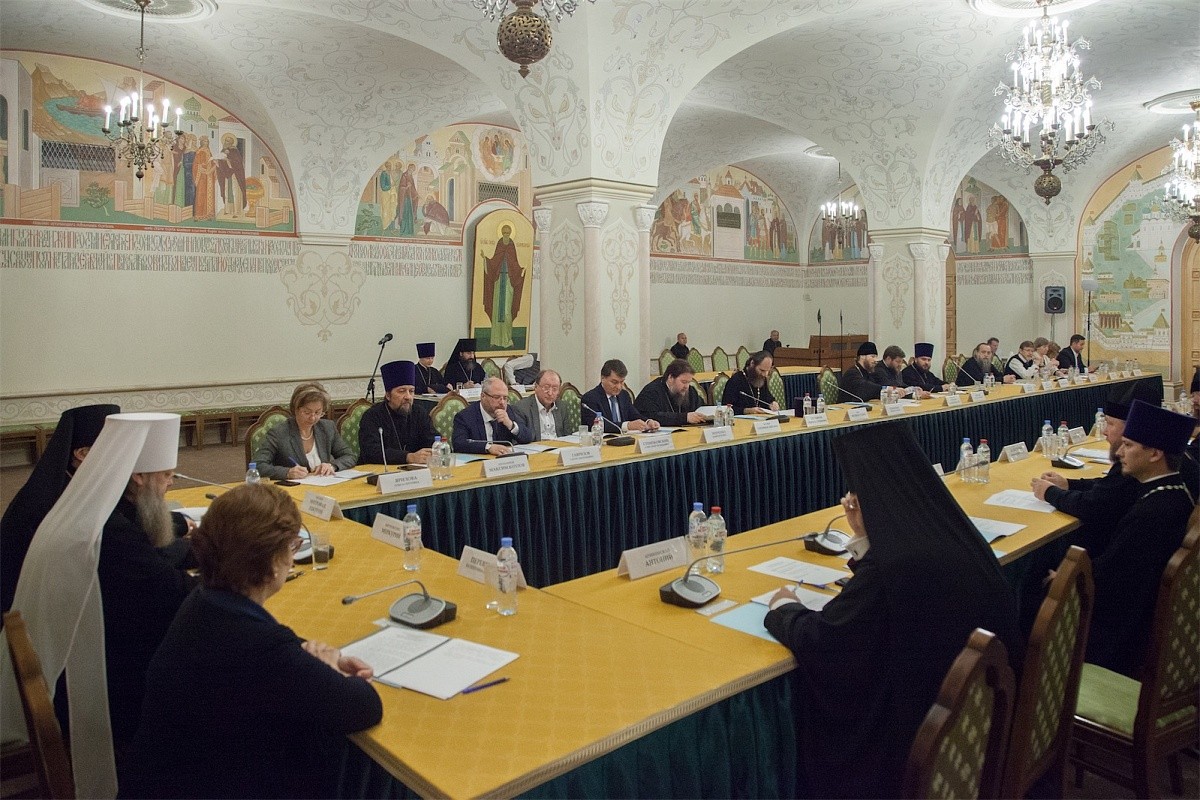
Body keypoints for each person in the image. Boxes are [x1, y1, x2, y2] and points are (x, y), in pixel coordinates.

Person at [763, 421, 1021, 798]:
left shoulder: (892, 570)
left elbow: (826, 643)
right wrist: (865, 535)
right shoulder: (950, 532)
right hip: (984, 740)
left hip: (916, 752)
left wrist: (784, 608)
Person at [123, 484, 383, 799]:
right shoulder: (259, 646)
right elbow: (364, 706)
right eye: (292, 546)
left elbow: (269, 648)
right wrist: (327, 668)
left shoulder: (202, 603)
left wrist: (307, 655)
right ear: (272, 562)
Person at [0, 413, 193, 795]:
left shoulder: (93, 505)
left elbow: (149, 559)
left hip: (68, 658)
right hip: (91, 693)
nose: (171, 484)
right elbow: (175, 595)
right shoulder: (110, 533)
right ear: (139, 477)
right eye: (167, 475)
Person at [1083, 401, 1196, 678]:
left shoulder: (1154, 512)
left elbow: (1110, 577)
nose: (1119, 452)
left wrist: (1066, 577)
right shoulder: (1173, 493)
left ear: (1155, 454)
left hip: (1122, 642)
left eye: (1128, 445)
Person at [1, 403, 118, 615]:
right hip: (28, 604)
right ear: (82, 453)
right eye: (111, 447)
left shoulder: (77, 479)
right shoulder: (47, 497)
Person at [1031, 379, 1161, 556]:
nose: (1105, 431)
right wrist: (1068, 484)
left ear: (1131, 428)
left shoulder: (1138, 465)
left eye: (1110, 423)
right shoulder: (1153, 459)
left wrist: (1049, 492)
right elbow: (1109, 486)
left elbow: (1092, 505)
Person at [253, 382, 356, 481]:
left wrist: (332, 466)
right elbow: (258, 465)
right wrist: (287, 472)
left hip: (323, 486)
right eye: (307, 412)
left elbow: (349, 456)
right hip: (293, 488)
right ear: (296, 409)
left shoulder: (327, 428)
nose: (312, 418)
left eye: (318, 412)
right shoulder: (279, 433)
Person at [359, 360, 436, 465]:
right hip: (380, 470)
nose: (408, 397)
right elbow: (371, 452)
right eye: (402, 391)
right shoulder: (372, 416)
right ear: (388, 395)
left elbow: (433, 440)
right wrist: (408, 457)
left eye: (411, 391)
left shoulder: (419, 413)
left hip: (416, 470)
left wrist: (433, 450)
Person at [452, 376, 534, 455]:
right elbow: (459, 444)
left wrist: (511, 425)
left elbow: (528, 437)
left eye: (505, 398)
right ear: (483, 396)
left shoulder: (508, 411)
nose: (502, 402)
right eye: (497, 397)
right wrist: (488, 447)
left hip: (504, 461)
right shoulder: (465, 416)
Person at [581, 359, 661, 433]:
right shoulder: (590, 398)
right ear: (603, 378)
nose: (619, 387)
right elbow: (598, 425)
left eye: (622, 382)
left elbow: (634, 415)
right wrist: (627, 426)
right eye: (614, 382)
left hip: (624, 439)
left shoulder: (624, 395)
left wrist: (648, 422)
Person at [635, 359, 707, 426]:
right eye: (683, 382)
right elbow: (651, 416)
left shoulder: (690, 391)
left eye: (689, 382)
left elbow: (702, 408)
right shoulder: (652, 391)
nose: (686, 386)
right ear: (670, 378)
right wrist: (684, 418)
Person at [510, 369, 570, 439]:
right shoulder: (522, 408)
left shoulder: (561, 406)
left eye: (554, 389)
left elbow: (567, 436)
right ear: (536, 387)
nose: (550, 393)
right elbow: (520, 439)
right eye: (546, 387)